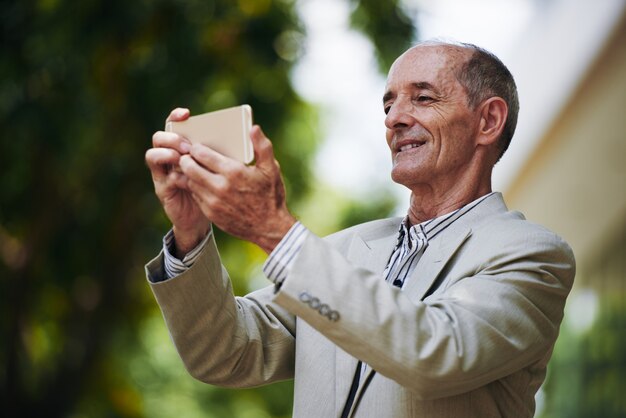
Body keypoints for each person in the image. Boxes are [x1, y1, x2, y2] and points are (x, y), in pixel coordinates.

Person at [144, 41, 575, 418]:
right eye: (388, 105)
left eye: (423, 98)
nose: (394, 119)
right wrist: (191, 233)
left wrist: (274, 231)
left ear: (488, 121)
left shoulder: (533, 254)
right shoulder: (341, 251)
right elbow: (223, 354)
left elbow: (435, 353)